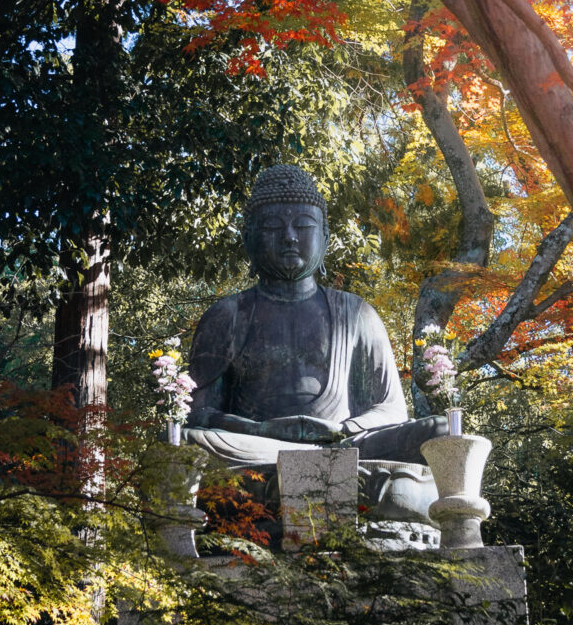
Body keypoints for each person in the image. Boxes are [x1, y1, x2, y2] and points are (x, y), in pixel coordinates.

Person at [183, 165, 445, 467]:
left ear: (325, 237)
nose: (289, 238)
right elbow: (197, 413)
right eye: (272, 226)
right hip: (256, 450)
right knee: (186, 441)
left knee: (437, 432)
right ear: (248, 239)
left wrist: (342, 430)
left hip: (345, 447)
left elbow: (391, 410)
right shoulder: (228, 315)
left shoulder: (358, 314)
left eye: (303, 225)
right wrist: (260, 428)